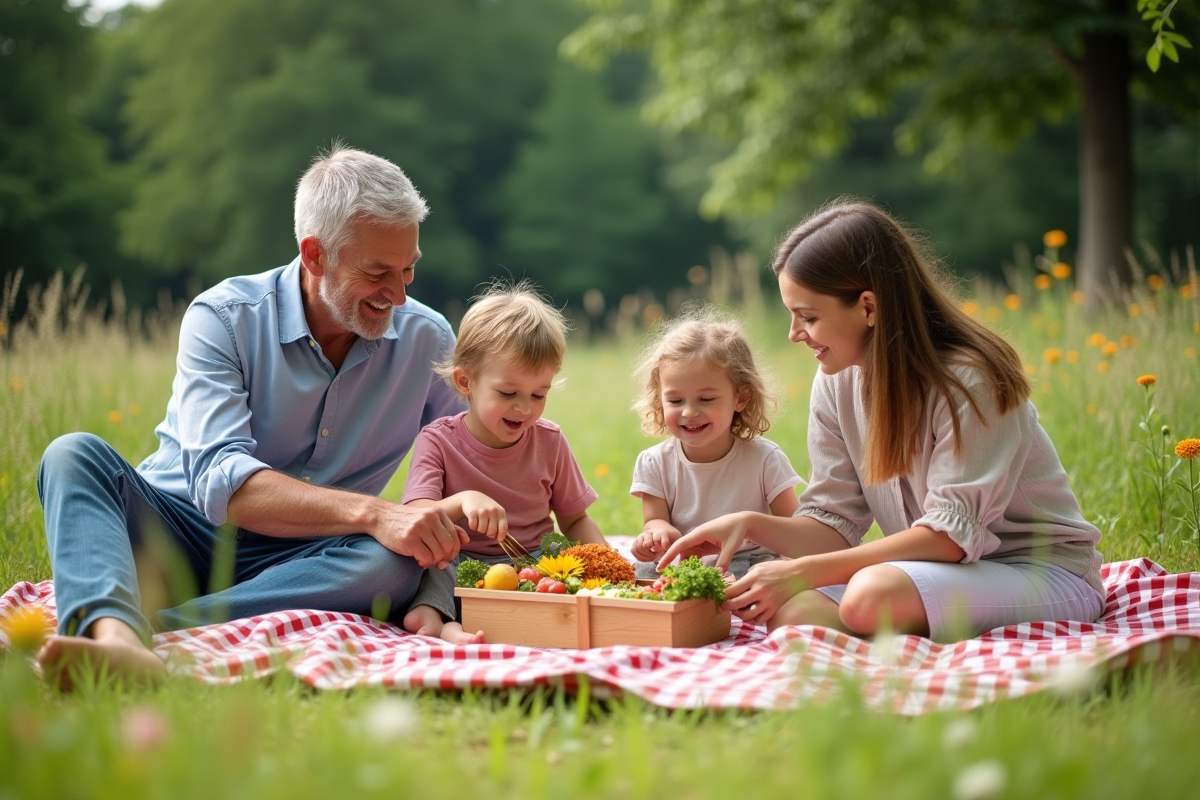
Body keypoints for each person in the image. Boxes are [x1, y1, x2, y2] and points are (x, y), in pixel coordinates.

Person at [36, 145, 468, 687]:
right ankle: (114, 636)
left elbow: (471, 471)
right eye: (379, 272)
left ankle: (158, 629)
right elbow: (227, 488)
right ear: (315, 255)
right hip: (180, 529)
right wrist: (376, 513)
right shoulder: (223, 318)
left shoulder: (428, 340)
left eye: (408, 269)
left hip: (309, 563)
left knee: (400, 561)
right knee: (72, 454)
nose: (400, 295)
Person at [656, 201, 1105, 642]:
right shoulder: (837, 381)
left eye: (808, 317)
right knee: (794, 614)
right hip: (934, 575)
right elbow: (833, 524)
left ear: (868, 307)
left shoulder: (971, 380)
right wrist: (751, 524)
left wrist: (800, 571)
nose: (794, 334)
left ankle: (899, 622)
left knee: (869, 595)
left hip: (1036, 571)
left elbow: (948, 538)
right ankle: (909, 629)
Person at [399, 282, 607, 643]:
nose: (524, 408)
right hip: (460, 561)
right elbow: (416, 516)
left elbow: (575, 519)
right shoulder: (438, 440)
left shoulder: (550, 441)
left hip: (532, 563)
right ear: (466, 381)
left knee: (564, 569)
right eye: (508, 393)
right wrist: (464, 501)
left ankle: (485, 620)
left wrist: (608, 568)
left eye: (538, 394)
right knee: (433, 567)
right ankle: (438, 619)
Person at [628, 306, 803, 580]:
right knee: (642, 572)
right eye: (675, 400)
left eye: (706, 399)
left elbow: (795, 529)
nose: (688, 412)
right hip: (684, 565)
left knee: (760, 573)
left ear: (741, 398)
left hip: (745, 561)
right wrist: (657, 534)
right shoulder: (654, 462)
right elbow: (653, 519)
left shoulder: (764, 459)